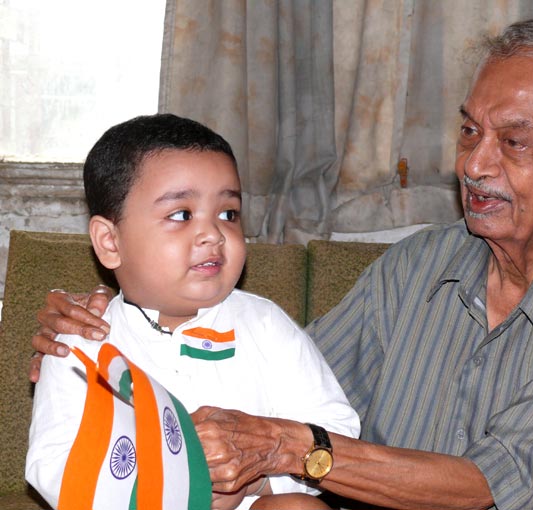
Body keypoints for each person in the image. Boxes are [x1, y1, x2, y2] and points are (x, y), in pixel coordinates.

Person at [29, 16, 533, 510]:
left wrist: (290, 448)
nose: (474, 165)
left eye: (513, 142)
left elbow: (495, 485)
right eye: (468, 132)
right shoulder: (419, 266)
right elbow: (266, 382)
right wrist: (108, 344)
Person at [25, 114, 360, 510]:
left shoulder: (265, 323)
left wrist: (258, 485)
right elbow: (53, 465)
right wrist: (166, 489)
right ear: (109, 242)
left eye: (228, 214)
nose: (213, 234)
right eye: (182, 215)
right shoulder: (81, 342)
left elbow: (336, 430)